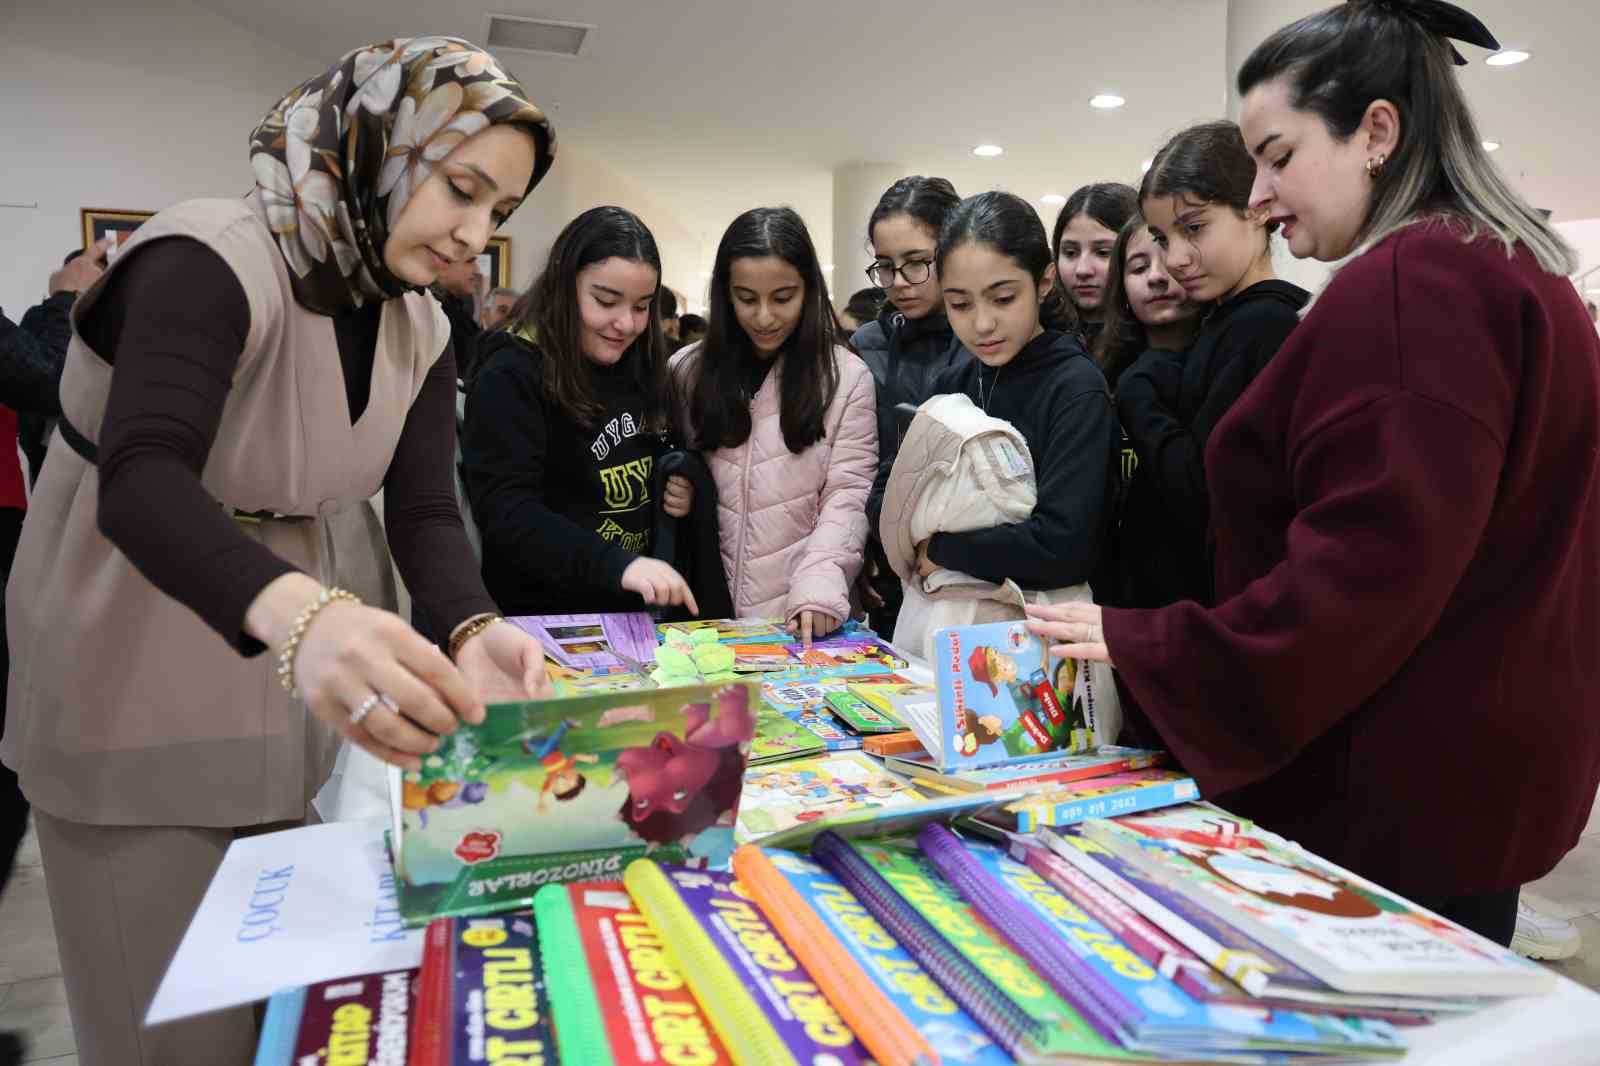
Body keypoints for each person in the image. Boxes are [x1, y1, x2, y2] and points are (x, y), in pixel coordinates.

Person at [1, 38, 557, 1064]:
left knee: (279, 1023)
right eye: (462, 190)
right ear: (372, 145)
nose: (475, 235)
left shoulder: (420, 326)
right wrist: (309, 617)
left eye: (501, 214)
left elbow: (426, 510)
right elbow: (144, 480)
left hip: (296, 696)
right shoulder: (205, 258)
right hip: (137, 679)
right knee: (165, 1031)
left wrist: (475, 626)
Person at [1028, 0, 1600, 949]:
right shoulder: (1512, 270)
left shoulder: (1418, 287)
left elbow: (1364, 579)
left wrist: (1154, 642)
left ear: (1377, 131)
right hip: (1473, 769)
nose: (1259, 194)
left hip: (1395, 787)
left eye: (1280, 157)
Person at [462, 206, 698, 618]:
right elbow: (507, 511)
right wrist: (619, 565)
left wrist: (679, 478)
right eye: (606, 301)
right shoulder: (512, 372)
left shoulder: (639, 360)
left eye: (643, 307)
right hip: (542, 617)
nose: (625, 323)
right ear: (562, 286)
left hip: (631, 615)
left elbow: (656, 445)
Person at [1115, 120, 1309, 608]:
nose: (1175, 258)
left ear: (1256, 208)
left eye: (1194, 228)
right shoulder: (1226, 322)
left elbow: (1204, 494)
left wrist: (1141, 401)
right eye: (1160, 237)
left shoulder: (1265, 326)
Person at [672, 206, 876, 643]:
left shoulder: (846, 377)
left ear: (809, 290)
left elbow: (848, 495)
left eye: (783, 297)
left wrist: (820, 586)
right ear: (725, 294)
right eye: (746, 298)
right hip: (700, 614)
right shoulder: (686, 371)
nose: (764, 316)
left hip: (800, 618)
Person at [912, 191, 1117, 595]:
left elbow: (1064, 545)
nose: (983, 324)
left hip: (1046, 628)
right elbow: (893, 494)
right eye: (959, 304)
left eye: (1003, 299)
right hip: (944, 620)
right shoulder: (948, 386)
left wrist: (942, 549)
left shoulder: (1075, 388)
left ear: (1044, 281)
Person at [854, 177, 972, 634]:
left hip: (972, 568)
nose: (899, 282)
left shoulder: (987, 340)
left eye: (917, 263)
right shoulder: (867, 345)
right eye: (885, 266)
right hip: (887, 569)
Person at [1094, 215, 1207, 610]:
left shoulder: (1219, 365)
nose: (1156, 277)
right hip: (1118, 591)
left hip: (1199, 590)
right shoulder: (1102, 376)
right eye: (1139, 267)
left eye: (1169, 261)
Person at [1051, 183, 1138, 348]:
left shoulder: (1157, 342)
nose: (1083, 270)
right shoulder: (1039, 337)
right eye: (1070, 253)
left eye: (1103, 252)